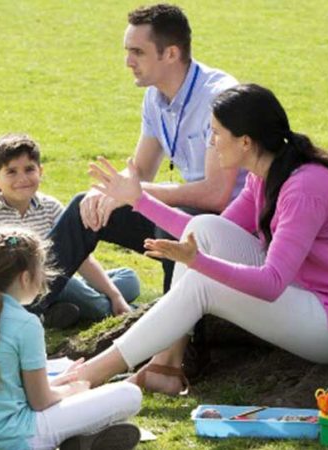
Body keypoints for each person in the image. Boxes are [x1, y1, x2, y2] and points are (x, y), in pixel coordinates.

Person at [80, 83, 328, 395]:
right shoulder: (263, 177)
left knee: (203, 281)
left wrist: (198, 263)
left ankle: (88, 375)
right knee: (205, 230)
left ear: (245, 141)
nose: (211, 142)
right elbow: (203, 233)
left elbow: (270, 283)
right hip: (312, 294)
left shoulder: (304, 189)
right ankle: (166, 367)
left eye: (216, 133)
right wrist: (139, 200)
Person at [39, 3, 244, 320]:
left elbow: (217, 194)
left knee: (170, 221)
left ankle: (178, 338)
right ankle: (26, 307)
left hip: (229, 228)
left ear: (171, 54)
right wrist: (109, 190)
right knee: (85, 206)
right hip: (186, 213)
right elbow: (141, 168)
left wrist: (136, 192)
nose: (128, 62)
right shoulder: (155, 96)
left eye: (138, 52)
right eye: (127, 51)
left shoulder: (219, 97)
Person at [0, 228, 142, 450]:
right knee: (129, 394)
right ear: (25, 277)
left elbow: (2, 388)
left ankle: (82, 441)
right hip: (16, 438)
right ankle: (82, 438)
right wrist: (73, 390)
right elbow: (41, 402)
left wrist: (56, 383)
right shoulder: (25, 323)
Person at [0, 134, 140, 327]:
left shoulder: (50, 206)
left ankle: (55, 312)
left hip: (60, 282)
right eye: (11, 172)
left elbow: (80, 256)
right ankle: (109, 310)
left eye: (29, 169)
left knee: (129, 279)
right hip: (18, 292)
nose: (22, 178)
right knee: (66, 282)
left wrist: (115, 295)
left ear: (40, 171)